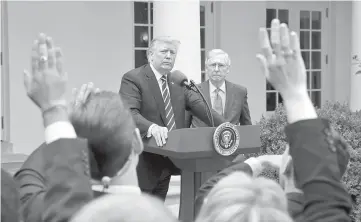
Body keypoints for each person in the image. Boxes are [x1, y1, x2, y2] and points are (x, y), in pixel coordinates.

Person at [119, 36, 226, 200]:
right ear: (150, 55)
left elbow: (203, 109)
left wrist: (228, 127)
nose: (169, 56)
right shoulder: (133, 78)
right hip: (143, 163)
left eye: (172, 52)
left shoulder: (178, 82)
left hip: (167, 163)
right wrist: (151, 128)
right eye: (164, 51)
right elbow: (129, 113)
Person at [188, 49, 252, 127]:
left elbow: (247, 126)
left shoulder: (240, 92)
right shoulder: (193, 91)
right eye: (213, 65)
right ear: (206, 68)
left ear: (228, 69)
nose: (216, 69)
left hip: (229, 138)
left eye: (221, 65)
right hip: (201, 138)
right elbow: (184, 128)